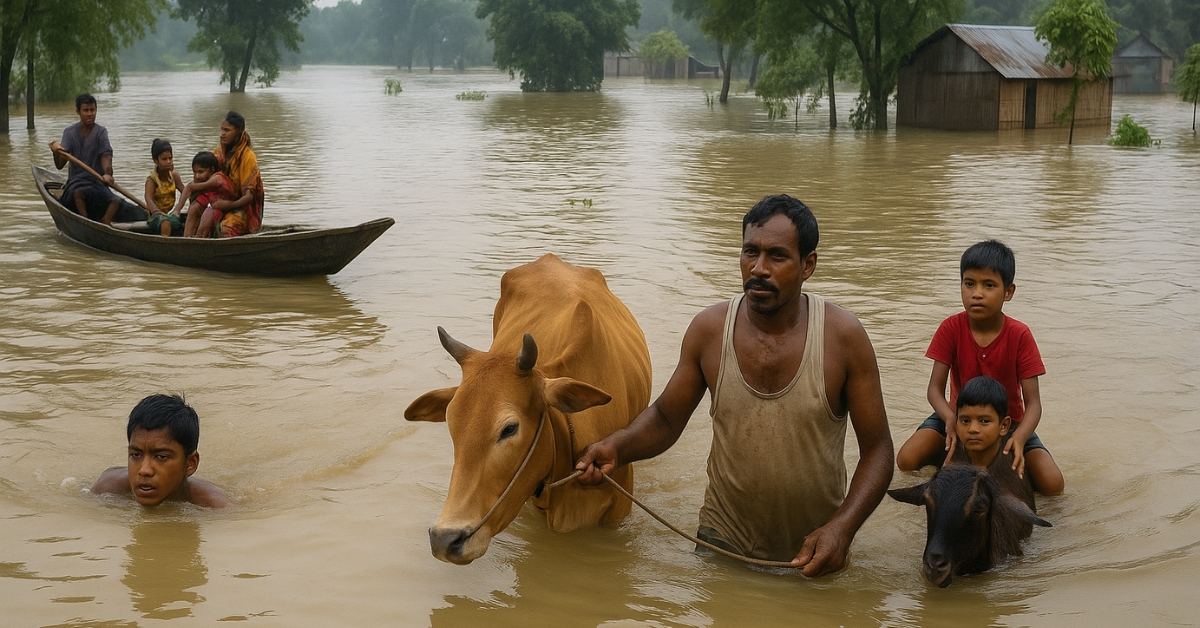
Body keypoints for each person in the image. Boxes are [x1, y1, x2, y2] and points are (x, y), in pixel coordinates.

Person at [575, 194, 894, 576]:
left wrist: (842, 528)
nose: (758, 269)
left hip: (816, 550)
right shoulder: (710, 331)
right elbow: (665, 418)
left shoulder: (843, 338)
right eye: (750, 252)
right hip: (721, 542)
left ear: (808, 264)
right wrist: (616, 448)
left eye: (777, 256)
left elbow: (877, 450)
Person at [895, 240, 1065, 495]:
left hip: (1009, 425)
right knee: (906, 460)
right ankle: (957, 462)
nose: (977, 293)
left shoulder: (1019, 335)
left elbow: (1034, 404)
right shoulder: (950, 328)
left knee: (1053, 485)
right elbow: (934, 390)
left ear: (1008, 292)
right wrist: (952, 420)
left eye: (989, 285)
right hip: (957, 418)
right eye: (969, 283)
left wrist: (1018, 438)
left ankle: (998, 464)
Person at [91, 394, 229, 508]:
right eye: (136, 455)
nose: (144, 470)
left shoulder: (214, 506)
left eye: (161, 457)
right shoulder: (106, 490)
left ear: (190, 464)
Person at [48, 93, 121, 225]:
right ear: (78, 111)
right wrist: (56, 152)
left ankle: (105, 223)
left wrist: (107, 174)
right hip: (76, 182)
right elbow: (60, 165)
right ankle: (86, 222)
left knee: (116, 201)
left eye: (92, 110)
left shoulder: (101, 132)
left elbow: (106, 156)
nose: (90, 114)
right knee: (78, 193)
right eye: (86, 110)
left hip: (96, 182)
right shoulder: (69, 132)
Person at [210, 110, 264, 238]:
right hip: (220, 203)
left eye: (227, 130)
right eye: (221, 129)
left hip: (243, 210)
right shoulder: (219, 153)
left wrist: (229, 205)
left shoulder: (248, 157)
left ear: (239, 131)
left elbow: (249, 196)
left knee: (226, 229)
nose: (222, 134)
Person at [952, 376, 1014, 469]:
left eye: (984, 421)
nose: (972, 429)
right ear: (956, 423)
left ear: (1003, 426)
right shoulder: (950, 457)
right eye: (965, 421)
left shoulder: (1016, 465)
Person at [176, 151, 233, 238]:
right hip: (208, 205)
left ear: (212, 170)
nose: (197, 176)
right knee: (194, 207)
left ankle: (199, 238)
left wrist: (192, 187)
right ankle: (186, 238)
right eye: (195, 172)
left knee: (208, 212)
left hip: (221, 209)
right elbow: (189, 187)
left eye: (200, 172)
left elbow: (191, 187)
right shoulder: (199, 180)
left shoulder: (218, 178)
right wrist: (177, 209)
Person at [144, 139, 186, 237]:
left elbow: (185, 192)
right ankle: (165, 245)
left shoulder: (174, 176)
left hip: (170, 215)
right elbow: (148, 199)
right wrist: (156, 211)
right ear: (155, 160)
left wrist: (177, 209)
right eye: (164, 159)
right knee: (165, 222)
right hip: (155, 218)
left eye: (170, 158)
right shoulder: (152, 179)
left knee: (182, 220)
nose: (168, 162)